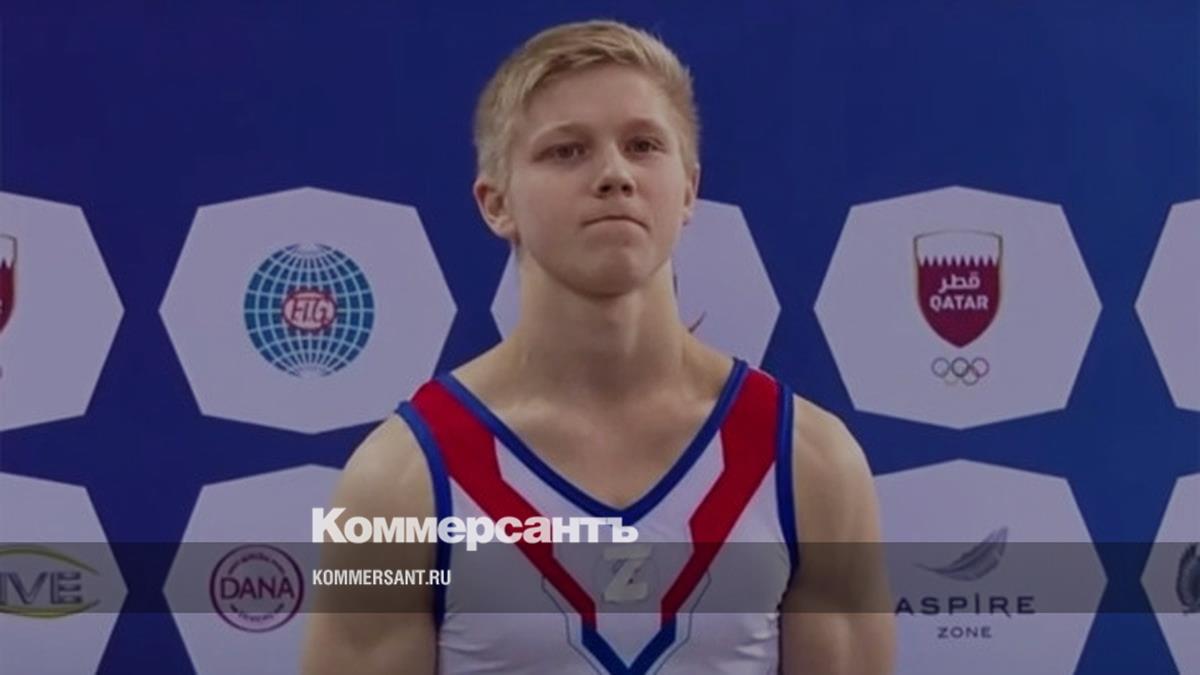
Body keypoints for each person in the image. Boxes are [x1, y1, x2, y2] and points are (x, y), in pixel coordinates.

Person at [303, 19, 894, 674]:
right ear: (496, 203)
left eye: (643, 145)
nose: (614, 174)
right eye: (567, 151)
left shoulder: (810, 462)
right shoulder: (398, 481)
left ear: (689, 189)